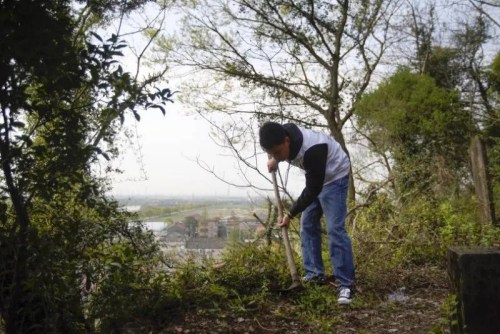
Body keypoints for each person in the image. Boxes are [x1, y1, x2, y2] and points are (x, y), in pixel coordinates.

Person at [259, 121, 355, 305]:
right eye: (271, 153)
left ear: (287, 141)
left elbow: (313, 189)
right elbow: (312, 184)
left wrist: (289, 214)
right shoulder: (282, 135)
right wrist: (274, 159)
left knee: (335, 229)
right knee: (308, 225)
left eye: (277, 152)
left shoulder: (313, 150)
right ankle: (314, 275)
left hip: (335, 176)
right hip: (317, 176)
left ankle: (346, 284)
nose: (276, 156)